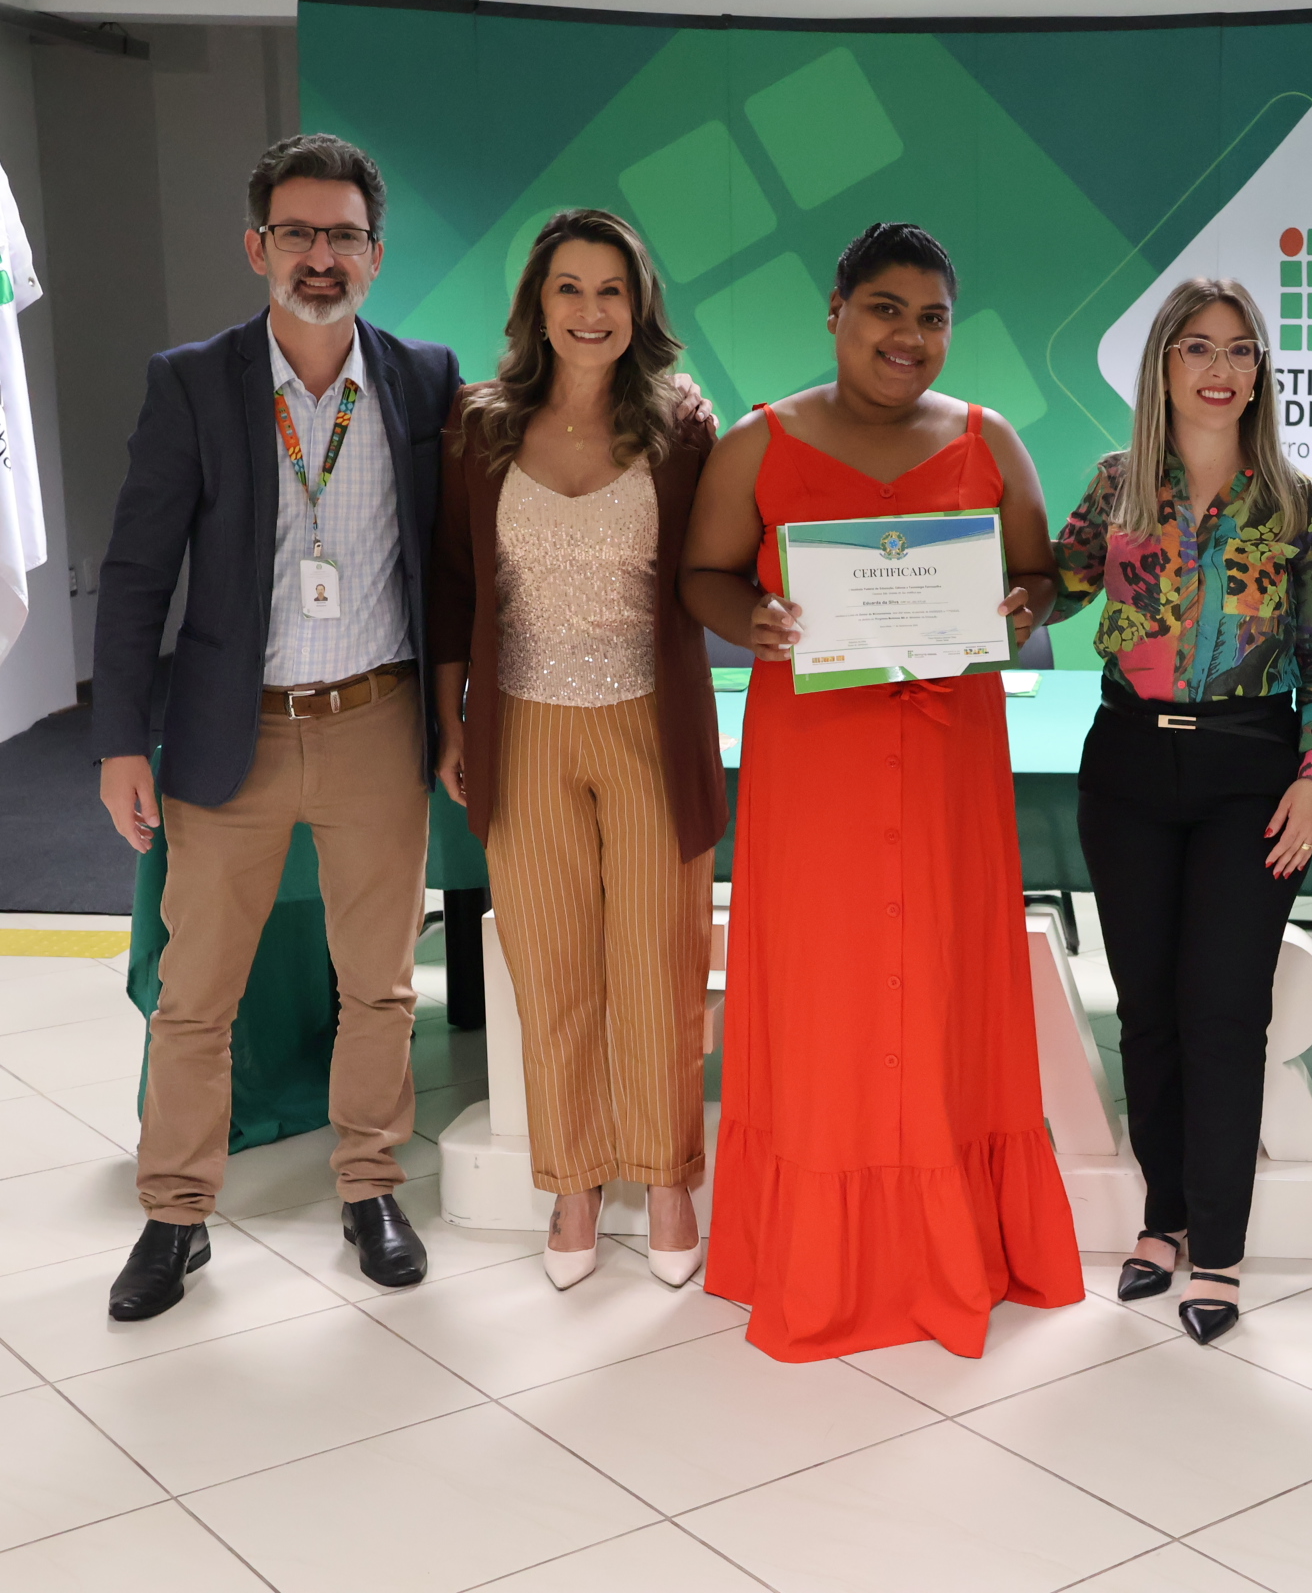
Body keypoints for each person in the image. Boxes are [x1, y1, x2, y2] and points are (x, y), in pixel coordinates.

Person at [680, 222, 1085, 1361]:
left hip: (950, 762)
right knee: (827, 996)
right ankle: (821, 1256)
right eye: (885, 310)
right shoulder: (759, 443)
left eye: (933, 317)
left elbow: (1041, 577)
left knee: (946, 983)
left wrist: (1025, 605)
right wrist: (752, 619)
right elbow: (702, 575)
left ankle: (951, 1244)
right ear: (836, 312)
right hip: (816, 762)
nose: (909, 336)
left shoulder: (988, 441)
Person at [92, 134, 459, 1318]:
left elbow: (452, 560)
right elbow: (138, 570)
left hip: (376, 721)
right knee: (198, 993)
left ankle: (370, 1186)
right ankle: (175, 1214)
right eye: (296, 232)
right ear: (257, 246)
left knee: (380, 984)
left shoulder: (423, 380)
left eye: (343, 235)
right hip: (228, 732)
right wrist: (118, 739)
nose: (320, 256)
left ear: (376, 254)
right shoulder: (194, 382)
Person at [1048, 278, 1312, 1345]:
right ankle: (1163, 1217)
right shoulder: (1117, 486)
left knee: (1224, 1011)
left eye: (1239, 350)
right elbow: (1052, 586)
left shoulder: (1303, 506)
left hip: (1250, 771)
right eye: (1197, 349)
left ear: (1261, 372)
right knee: (1147, 1010)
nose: (1220, 370)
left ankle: (1218, 1247)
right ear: (1164, 367)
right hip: (1128, 763)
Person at [429, 210, 724, 1290]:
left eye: (612, 290)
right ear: (537, 304)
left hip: (651, 726)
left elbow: (722, 565)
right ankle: (575, 1183)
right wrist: (453, 724)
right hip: (524, 728)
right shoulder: (481, 426)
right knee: (552, 970)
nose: (591, 311)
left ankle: (670, 1176)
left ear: (640, 307)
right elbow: (454, 586)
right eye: (569, 288)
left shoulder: (684, 427)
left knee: (658, 965)